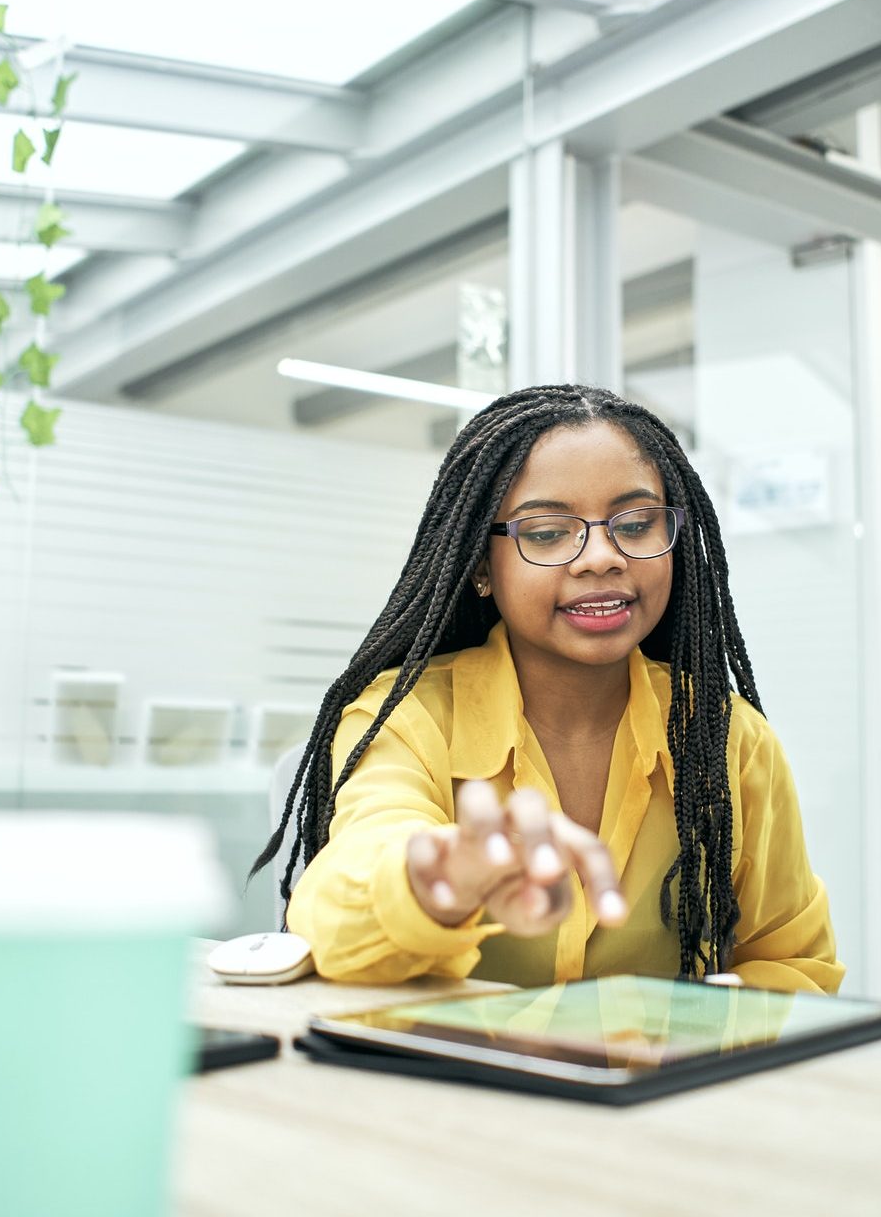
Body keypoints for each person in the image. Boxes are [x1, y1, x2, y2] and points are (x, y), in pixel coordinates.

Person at [256, 385, 841, 993]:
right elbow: (337, 902)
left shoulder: (727, 737)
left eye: (636, 524)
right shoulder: (406, 717)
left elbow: (795, 962)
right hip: (464, 1078)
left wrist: (722, 1027)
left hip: (663, 1086)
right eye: (546, 532)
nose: (601, 557)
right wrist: (441, 879)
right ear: (482, 565)